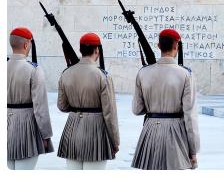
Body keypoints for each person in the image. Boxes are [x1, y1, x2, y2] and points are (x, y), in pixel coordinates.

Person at [132, 29, 200, 170]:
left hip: (149, 131)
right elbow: (190, 116)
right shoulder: (186, 74)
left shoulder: (143, 72)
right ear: (176, 47)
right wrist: (193, 150)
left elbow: (137, 110)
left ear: (158, 46)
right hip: (175, 133)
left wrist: (153, 105)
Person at [57, 33, 119, 169]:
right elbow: (109, 114)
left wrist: (77, 107)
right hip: (96, 132)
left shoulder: (66, 73)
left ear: (80, 50)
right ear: (97, 50)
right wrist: (115, 142)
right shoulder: (103, 76)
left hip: (72, 130)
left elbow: (62, 106)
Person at [7, 27, 53, 170]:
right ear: (26, 45)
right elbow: (40, 107)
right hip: (26, 127)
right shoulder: (33, 69)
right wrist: (46, 135)